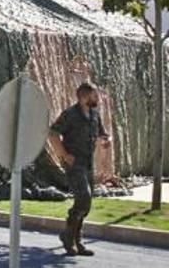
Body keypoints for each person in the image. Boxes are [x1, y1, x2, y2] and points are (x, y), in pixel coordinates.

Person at [48, 82, 111, 257]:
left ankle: (74, 239)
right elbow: (53, 133)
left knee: (87, 203)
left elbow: (102, 134)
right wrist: (63, 154)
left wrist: (107, 140)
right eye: (94, 95)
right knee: (83, 197)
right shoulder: (70, 114)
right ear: (84, 97)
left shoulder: (94, 114)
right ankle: (69, 237)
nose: (97, 98)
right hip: (74, 163)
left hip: (88, 162)